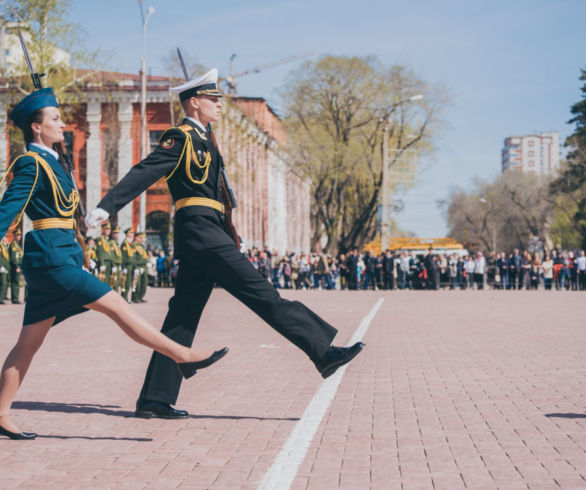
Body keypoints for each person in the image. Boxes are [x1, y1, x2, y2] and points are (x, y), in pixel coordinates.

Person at [86, 68, 364, 419]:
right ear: (194, 102)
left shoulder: (207, 140)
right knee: (263, 294)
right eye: (213, 99)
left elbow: (221, 197)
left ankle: (155, 399)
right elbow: (145, 170)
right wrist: (105, 207)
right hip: (200, 231)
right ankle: (322, 351)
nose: (219, 105)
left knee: (182, 317)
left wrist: (232, 235)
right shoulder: (181, 137)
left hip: (208, 231)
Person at [0, 87, 227, 440]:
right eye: (55, 119)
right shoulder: (31, 163)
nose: (62, 124)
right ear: (36, 127)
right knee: (117, 306)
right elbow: (7, 211)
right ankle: (182, 355)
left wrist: (82, 256)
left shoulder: (54, 162)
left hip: (61, 257)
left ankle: (0, 413)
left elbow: (68, 217)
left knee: (28, 343)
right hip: (51, 260)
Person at [9, 229, 23, 304]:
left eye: (19, 235)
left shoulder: (17, 244)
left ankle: (15, 298)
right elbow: (14, 257)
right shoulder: (14, 244)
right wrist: (17, 266)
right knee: (15, 282)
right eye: (17, 235)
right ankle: (14, 299)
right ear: (14, 236)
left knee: (17, 282)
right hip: (15, 267)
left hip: (18, 266)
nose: (19, 237)